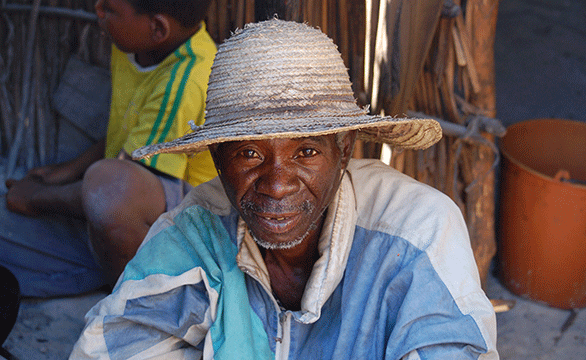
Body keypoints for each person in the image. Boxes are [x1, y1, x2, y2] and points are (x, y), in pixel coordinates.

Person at [71, 19, 498, 359]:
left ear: (344, 149)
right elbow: (112, 347)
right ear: (218, 161)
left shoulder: (416, 233)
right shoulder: (196, 232)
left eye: (307, 151)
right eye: (250, 155)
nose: (277, 185)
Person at [0, 0, 217, 295]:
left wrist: (36, 198)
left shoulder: (186, 80)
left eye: (109, 9)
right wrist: (66, 171)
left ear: (157, 27)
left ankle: (138, 299)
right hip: (123, 210)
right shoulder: (137, 48)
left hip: (181, 239)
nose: (97, 11)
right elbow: (128, 140)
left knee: (106, 195)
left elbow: (120, 191)